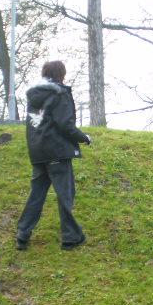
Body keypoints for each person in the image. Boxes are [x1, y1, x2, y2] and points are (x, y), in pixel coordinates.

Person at [16, 61, 91, 251]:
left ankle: (22, 235)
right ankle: (71, 237)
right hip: (57, 151)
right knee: (65, 195)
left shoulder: (34, 96)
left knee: (36, 195)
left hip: (38, 152)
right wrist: (84, 138)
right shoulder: (60, 94)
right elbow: (65, 124)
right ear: (61, 74)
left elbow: (35, 125)